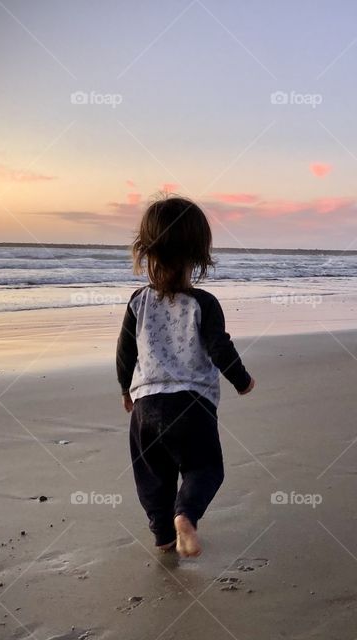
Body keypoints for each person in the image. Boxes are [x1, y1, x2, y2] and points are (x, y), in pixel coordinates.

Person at [116, 195, 255, 558]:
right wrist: (242, 381)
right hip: (193, 406)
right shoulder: (203, 303)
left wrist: (124, 390)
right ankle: (186, 517)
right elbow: (219, 347)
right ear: (198, 254)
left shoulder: (137, 302)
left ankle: (162, 537)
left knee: (152, 477)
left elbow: (125, 352)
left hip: (146, 406)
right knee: (205, 467)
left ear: (146, 251)